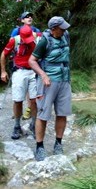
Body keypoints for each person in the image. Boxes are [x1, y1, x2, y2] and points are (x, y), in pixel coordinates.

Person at [28, 16, 71, 162]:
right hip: (48, 82)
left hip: (64, 80)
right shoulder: (44, 41)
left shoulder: (66, 35)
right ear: (53, 29)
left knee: (62, 113)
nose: (65, 29)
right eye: (61, 27)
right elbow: (31, 61)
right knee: (43, 114)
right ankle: (39, 147)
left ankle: (58, 144)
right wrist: (43, 75)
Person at [1, 25, 40, 139]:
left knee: (34, 101)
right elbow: (3, 54)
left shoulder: (38, 38)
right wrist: (3, 71)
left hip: (34, 71)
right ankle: (17, 126)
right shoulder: (15, 40)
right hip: (19, 71)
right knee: (18, 100)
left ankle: (33, 125)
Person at [10, 11, 41, 120]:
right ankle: (17, 113)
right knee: (19, 94)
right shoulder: (16, 31)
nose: (29, 18)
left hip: (33, 66)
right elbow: (13, 44)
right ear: (22, 20)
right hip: (19, 65)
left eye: (31, 16)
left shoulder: (36, 31)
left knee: (32, 94)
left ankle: (28, 110)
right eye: (26, 17)